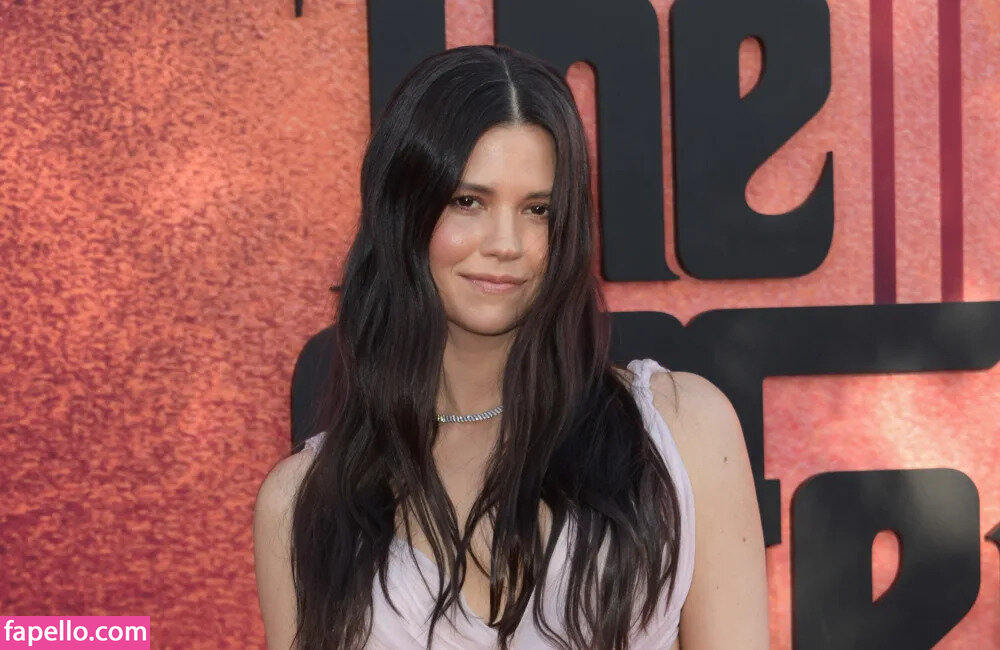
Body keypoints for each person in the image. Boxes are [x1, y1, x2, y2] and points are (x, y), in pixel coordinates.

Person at [253, 44, 768, 650]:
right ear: (402, 213)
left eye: (538, 209)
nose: (507, 243)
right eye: (467, 201)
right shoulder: (302, 505)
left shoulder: (681, 431)